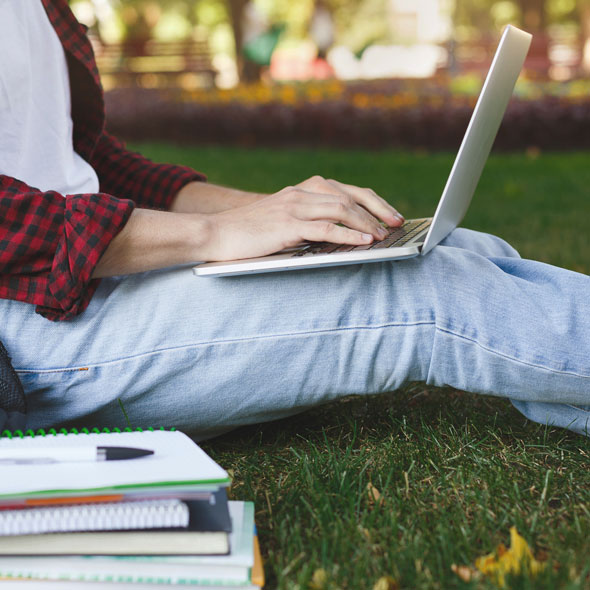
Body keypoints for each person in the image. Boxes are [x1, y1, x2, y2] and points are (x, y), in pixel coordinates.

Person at [1, 0, 589, 440]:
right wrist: (217, 234)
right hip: (33, 327)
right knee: (419, 289)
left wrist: (282, 213)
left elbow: (83, 159)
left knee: (465, 248)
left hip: (109, 267)